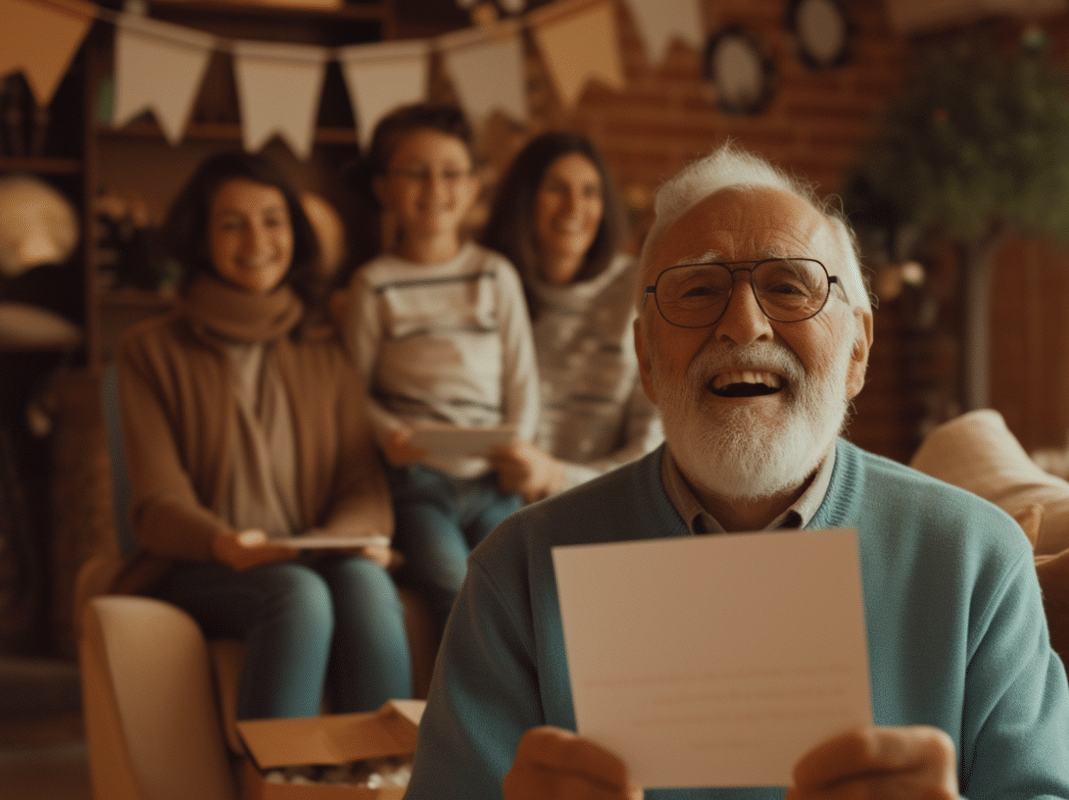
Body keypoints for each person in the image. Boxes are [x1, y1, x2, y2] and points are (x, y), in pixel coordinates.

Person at [404, 144, 1069, 799]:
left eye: (789, 285)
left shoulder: (978, 560)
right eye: (697, 289)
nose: (743, 323)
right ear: (645, 357)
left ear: (857, 348)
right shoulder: (519, 573)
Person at [114, 151, 413, 720]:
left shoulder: (328, 348)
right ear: (202, 236)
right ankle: (279, 784)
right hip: (206, 566)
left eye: (273, 220)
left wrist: (344, 536)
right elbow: (157, 504)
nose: (257, 238)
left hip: (310, 552)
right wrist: (227, 542)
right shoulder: (149, 351)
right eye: (232, 222)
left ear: (294, 234)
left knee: (365, 583)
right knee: (296, 594)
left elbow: (361, 482)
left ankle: (388, 776)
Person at [337, 104, 539, 634]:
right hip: (418, 482)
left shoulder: (495, 275)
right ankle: (467, 712)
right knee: (454, 588)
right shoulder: (374, 284)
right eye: (416, 173)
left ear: (473, 187)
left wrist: (519, 441)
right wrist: (389, 434)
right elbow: (350, 391)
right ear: (383, 188)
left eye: (452, 173)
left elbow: (522, 378)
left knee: (525, 583)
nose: (435, 187)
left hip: (494, 478)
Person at [481, 132, 663, 502]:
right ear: (524, 199)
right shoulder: (489, 288)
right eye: (555, 188)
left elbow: (653, 458)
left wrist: (556, 476)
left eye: (590, 192)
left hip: (604, 514)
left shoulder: (641, 291)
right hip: (490, 507)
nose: (574, 207)